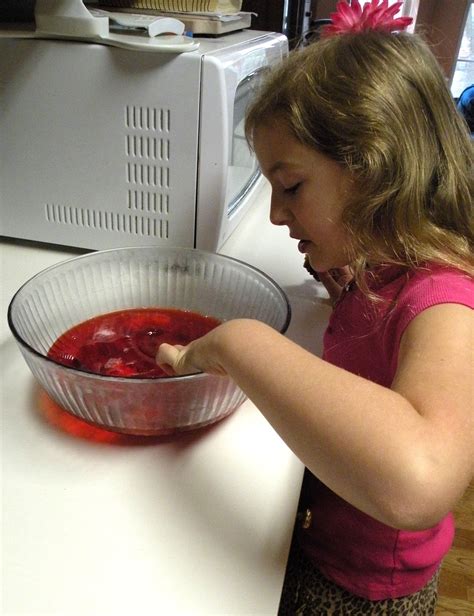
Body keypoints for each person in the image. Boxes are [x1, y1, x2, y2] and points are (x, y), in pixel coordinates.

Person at [157, 1, 474, 613]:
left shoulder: (448, 303)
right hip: (321, 524)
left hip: (357, 589)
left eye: (292, 186)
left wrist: (238, 344)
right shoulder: (380, 262)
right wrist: (342, 273)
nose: (276, 214)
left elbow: (421, 477)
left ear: (373, 168)